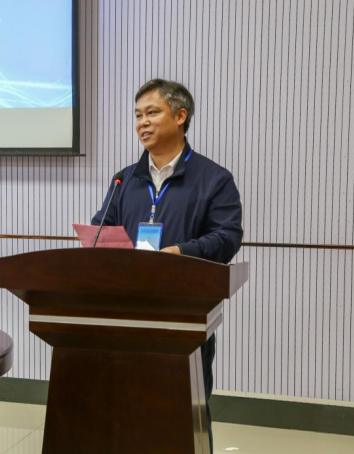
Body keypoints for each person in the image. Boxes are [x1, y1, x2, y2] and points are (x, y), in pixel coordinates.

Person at [92, 78, 243, 452]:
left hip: (184, 314)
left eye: (152, 113)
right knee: (123, 412)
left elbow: (226, 238)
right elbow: (101, 229)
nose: (142, 122)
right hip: (125, 313)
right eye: (137, 115)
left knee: (184, 418)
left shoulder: (214, 179)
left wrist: (180, 252)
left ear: (180, 116)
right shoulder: (125, 178)